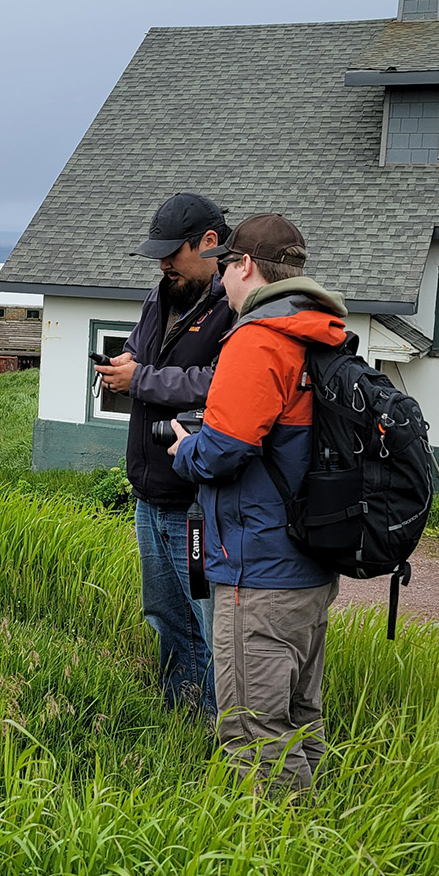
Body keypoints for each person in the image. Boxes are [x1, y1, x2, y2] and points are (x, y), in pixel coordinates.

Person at [166, 213, 347, 793]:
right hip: (310, 564)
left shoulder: (258, 339)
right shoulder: (320, 333)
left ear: (244, 266)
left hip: (258, 571)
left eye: (225, 270)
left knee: (252, 731)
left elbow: (224, 452)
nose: (220, 284)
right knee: (300, 721)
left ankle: (269, 863)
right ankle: (313, 852)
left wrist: (184, 448)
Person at [94, 193, 234, 718]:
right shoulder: (162, 294)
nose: (162, 263)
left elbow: (222, 384)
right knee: (165, 615)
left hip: (196, 503)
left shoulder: (237, 305)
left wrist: (142, 378)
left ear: (210, 243)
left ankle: (219, 732)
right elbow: (140, 347)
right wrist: (125, 362)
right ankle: (177, 719)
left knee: (208, 623)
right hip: (148, 494)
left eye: (172, 253)